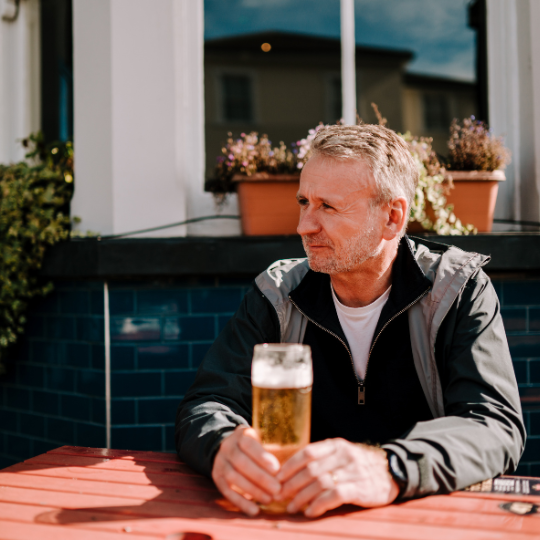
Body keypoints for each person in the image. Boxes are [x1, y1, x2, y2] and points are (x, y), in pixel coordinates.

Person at [175, 123, 525, 518]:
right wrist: (223, 445)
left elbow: (496, 428)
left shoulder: (456, 290)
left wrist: (389, 467)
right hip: (300, 519)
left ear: (392, 217)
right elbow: (207, 403)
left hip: (423, 520)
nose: (304, 225)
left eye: (328, 206)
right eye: (304, 202)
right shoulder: (277, 294)